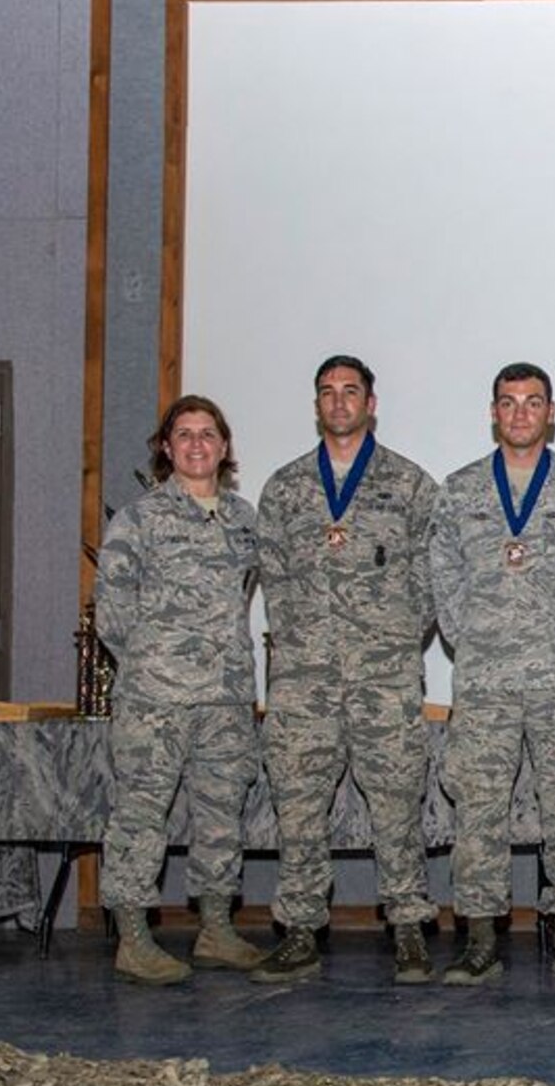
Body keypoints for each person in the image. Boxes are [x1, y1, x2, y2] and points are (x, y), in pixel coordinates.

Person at [252, 356, 439, 985]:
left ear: (371, 403)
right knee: (298, 807)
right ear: (316, 406)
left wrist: (388, 642)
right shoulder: (284, 489)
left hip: (383, 679)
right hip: (305, 682)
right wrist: (307, 644)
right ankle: (301, 929)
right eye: (327, 393)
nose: (339, 402)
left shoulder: (410, 484)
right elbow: (273, 577)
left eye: (350, 391)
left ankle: (409, 926)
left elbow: (430, 582)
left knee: (396, 804)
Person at [429, 362, 555, 985]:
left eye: (532, 403)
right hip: (485, 681)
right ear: (493, 412)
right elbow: (443, 578)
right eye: (508, 403)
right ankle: (479, 937)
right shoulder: (458, 492)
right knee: (479, 811)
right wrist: (475, 638)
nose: (520, 414)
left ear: (551, 412)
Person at [93, 395, 263, 984]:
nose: (196, 444)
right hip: (156, 703)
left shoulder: (244, 520)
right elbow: (111, 614)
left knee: (222, 816)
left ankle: (215, 930)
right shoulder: (138, 520)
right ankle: (134, 939)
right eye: (184, 435)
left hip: (225, 701)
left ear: (224, 446)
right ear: (166, 448)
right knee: (141, 817)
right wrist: (156, 667)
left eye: (208, 434)